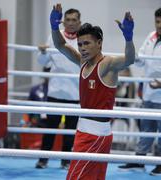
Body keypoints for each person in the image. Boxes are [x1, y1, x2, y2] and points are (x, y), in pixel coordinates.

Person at [50, 3, 135, 180]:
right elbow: (60, 45)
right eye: (80, 44)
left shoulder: (106, 65)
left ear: (99, 43)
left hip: (96, 134)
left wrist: (128, 38)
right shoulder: (82, 62)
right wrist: (54, 26)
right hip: (85, 130)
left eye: (87, 43)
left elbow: (129, 59)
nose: (82, 48)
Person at [118, 7, 161, 175]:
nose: (160, 25)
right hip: (149, 93)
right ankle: (140, 161)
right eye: (157, 21)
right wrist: (129, 45)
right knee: (146, 128)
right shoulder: (150, 37)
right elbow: (141, 60)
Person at [35, 8, 82, 169]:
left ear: (79, 22)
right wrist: (42, 52)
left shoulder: (84, 38)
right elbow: (43, 62)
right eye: (67, 19)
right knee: (50, 128)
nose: (70, 23)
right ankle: (43, 159)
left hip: (75, 93)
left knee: (70, 131)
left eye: (73, 20)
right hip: (55, 91)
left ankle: (66, 160)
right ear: (63, 21)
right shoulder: (54, 36)